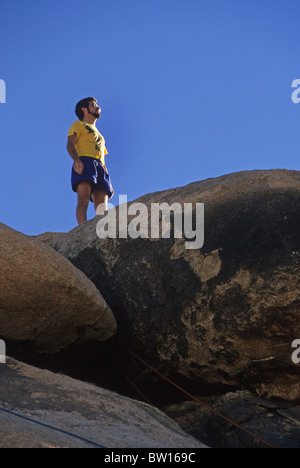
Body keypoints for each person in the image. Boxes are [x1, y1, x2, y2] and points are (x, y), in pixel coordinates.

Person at [67, 97, 114, 225]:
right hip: (85, 161)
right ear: (84, 110)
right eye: (93, 105)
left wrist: (107, 177)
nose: (98, 107)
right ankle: (82, 229)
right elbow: (70, 144)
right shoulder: (78, 125)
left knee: (102, 207)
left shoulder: (100, 135)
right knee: (83, 199)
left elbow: (102, 157)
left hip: (99, 165)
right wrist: (76, 160)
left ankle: (102, 232)